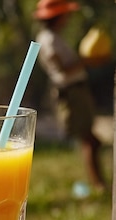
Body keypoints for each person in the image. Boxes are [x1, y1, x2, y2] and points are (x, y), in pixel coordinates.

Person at [34, 0, 107, 191]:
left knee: (90, 139)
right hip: (71, 93)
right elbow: (63, 69)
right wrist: (86, 61)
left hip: (78, 90)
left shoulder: (56, 37)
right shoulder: (48, 39)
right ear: (57, 16)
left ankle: (99, 182)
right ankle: (98, 184)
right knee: (89, 139)